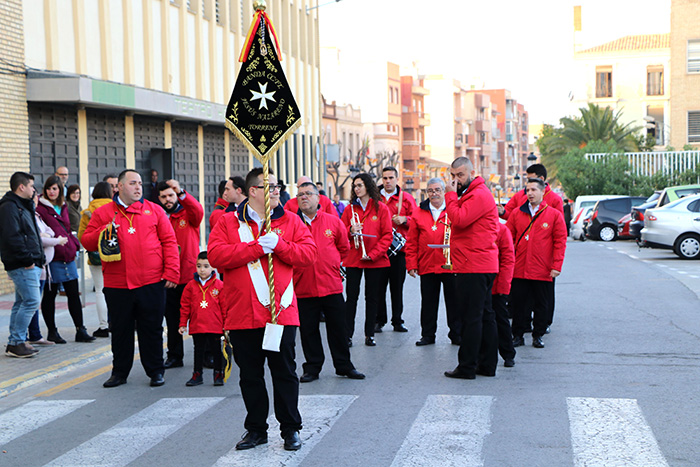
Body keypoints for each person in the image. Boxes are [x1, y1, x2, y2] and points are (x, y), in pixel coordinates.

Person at [208, 167, 317, 451]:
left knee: (285, 373)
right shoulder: (228, 222)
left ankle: (290, 429)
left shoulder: (291, 221)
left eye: (278, 186)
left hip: (280, 312)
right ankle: (256, 429)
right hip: (242, 313)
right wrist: (256, 248)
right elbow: (217, 255)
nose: (277, 190)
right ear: (252, 191)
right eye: (270, 187)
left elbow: (308, 254)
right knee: (251, 376)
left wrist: (280, 245)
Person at [81, 169, 180, 388]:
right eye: (133, 183)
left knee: (152, 329)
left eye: (140, 184)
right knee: (120, 330)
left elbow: (169, 243)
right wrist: (104, 231)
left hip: (151, 282)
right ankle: (119, 372)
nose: (138, 187)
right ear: (120, 187)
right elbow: (87, 240)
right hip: (118, 284)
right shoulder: (104, 212)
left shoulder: (154, 210)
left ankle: (155, 371)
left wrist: (172, 271)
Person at [293, 182, 364, 382]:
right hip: (303, 287)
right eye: (300, 195)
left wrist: (331, 265)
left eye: (308, 193)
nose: (304, 197)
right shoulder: (293, 223)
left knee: (338, 329)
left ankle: (344, 365)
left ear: (318, 198)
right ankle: (312, 368)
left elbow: (344, 247)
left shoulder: (332, 222)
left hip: (331, 285)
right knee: (308, 331)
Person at [443, 157, 500, 380]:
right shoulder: (474, 193)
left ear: (471, 173)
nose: (456, 180)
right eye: (453, 176)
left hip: (474, 265)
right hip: (477, 263)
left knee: (472, 318)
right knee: (484, 316)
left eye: (460, 175)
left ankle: (467, 366)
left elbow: (459, 219)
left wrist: (450, 195)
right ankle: (486, 364)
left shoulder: (477, 194)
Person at [499, 163, 563, 333]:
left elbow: (559, 238)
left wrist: (556, 265)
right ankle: (520, 331)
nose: (529, 193)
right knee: (520, 300)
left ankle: (541, 329)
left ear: (542, 188)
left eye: (533, 189)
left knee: (543, 299)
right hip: (521, 263)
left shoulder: (554, 206)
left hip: (543, 264)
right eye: (527, 189)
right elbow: (509, 230)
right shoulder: (519, 209)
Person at [35, 176, 95, 344]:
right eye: (49, 188)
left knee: (73, 293)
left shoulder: (64, 206)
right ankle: (52, 332)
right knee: (50, 295)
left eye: (55, 188)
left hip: (67, 254)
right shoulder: (41, 208)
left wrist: (74, 244)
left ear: (61, 190)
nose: (51, 192)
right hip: (52, 257)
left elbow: (68, 229)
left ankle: (80, 329)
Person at [405, 178, 461, 346]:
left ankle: (456, 334)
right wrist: (411, 264)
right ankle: (428, 335)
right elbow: (412, 240)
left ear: (444, 191)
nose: (434, 193)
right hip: (427, 263)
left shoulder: (453, 209)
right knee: (428, 302)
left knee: (454, 302)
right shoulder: (418, 211)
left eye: (437, 190)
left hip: (451, 264)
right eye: (430, 191)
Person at [341, 173, 392, 347]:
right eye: (355, 186)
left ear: (368, 186)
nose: (356, 188)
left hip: (374, 259)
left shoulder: (381, 209)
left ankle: (369, 334)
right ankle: (347, 335)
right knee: (351, 298)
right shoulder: (349, 210)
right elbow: (341, 235)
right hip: (354, 258)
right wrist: (350, 229)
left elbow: (387, 236)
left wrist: (374, 254)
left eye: (360, 185)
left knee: (372, 298)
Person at [157, 179, 204, 369]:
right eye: (163, 197)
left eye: (171, 195)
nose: (168, 200)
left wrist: (182, 192)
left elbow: (198, 211)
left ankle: (206, 354)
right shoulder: (158, 216)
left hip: (189, 275)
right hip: (169, 278)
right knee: (173, 319)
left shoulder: (188, 215)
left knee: (201, 318)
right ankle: (175, 355)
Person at [0, 172, 45, 358]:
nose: (34, 190)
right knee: (32, 301)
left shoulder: (22, 206)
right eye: (31, 186)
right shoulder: (10, 207)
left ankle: (15, 342)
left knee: (21, 302)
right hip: (23, 264)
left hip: (29, 262)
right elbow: (13, 237)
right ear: (22, 187)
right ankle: (17, 341)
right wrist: (27, 260)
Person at [376, 166, 417, 333]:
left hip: (398, 251)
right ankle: (379, 320)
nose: (388, 181)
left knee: (396, 288)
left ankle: (397, 320)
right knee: (378, 287)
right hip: (378, 250)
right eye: (385, 178)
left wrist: (405, 219)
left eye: (391, 178)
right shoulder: (374, 198)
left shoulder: (406, 198)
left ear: (397, 178)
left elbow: (417, 220)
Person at [179, 251, 225, 386]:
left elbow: (225, 306)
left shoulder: (219, 285)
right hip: (197, 325)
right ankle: (197, 374)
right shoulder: (190, 286)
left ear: (212, 267)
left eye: (206, 266)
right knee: (198, 350)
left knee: (216, 350)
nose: (202, 270)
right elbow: (185, 306)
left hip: (215, 325)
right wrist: (183, 324)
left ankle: (218, 374)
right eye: (199, 266)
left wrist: (226, 325)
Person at [27, 190, 66, 347]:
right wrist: (56, 241)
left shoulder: (37, 215)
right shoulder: (29, 216)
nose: (37, 200)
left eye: (37, 197)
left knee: (34, 302)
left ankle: (35, 334)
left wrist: (50, 237)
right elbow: (40, 238)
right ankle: (28, 335)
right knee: (31, 302)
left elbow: (48, 231)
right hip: (34, 265)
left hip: (43, 267)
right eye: (34, 197)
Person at [78, 181, 113, 338]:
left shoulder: (87, 212)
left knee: (100, 291)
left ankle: (103, 326)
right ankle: (119, 323)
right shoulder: (117, 209)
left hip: (96, 258)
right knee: (117, 291)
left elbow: (81, 237)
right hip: (116, 256)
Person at [492, 220, 516, 367]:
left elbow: (508, 260)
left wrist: (503, 285)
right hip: (479, 284)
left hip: (497, 285)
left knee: (501, 320)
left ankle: (508, 353)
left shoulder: (502, 230)